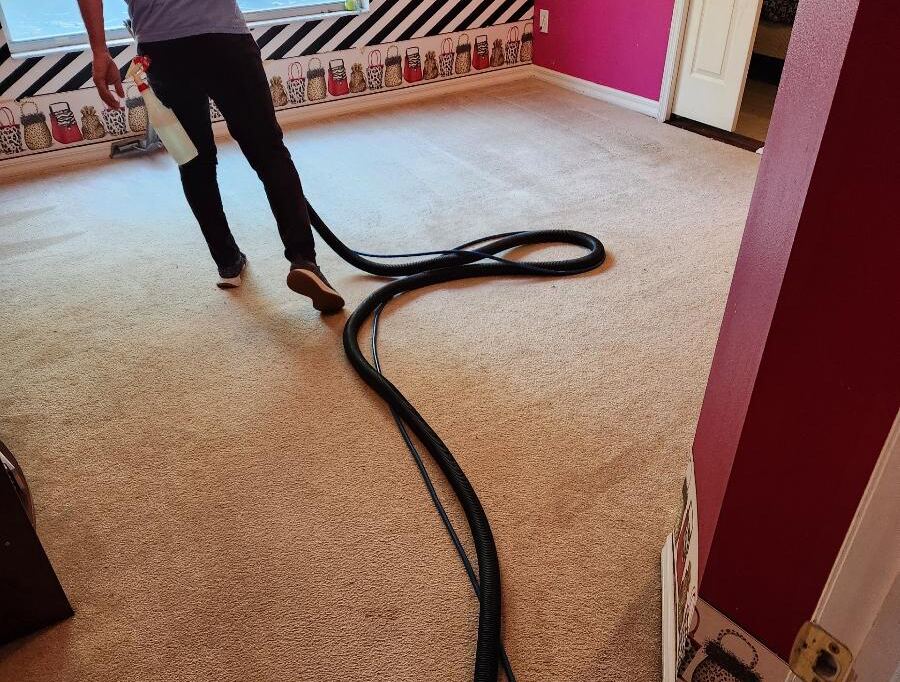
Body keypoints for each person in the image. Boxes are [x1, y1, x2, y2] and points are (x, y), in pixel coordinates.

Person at [77, 0, 345, 313]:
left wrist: (99, 50)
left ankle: (228, 263)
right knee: (269, 152)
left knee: (194, 161)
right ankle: (303, 260)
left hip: (163, 49)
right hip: (224, 39)